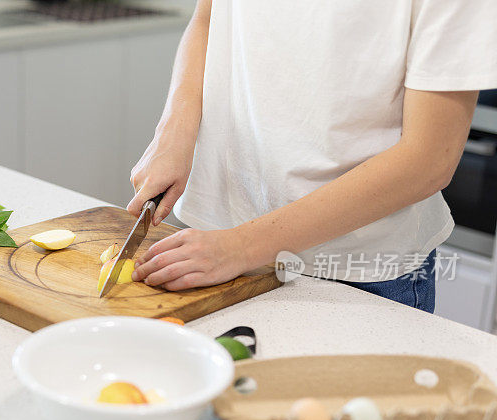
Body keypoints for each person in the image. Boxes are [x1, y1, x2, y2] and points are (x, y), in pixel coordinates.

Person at [127, 0, 497, 312]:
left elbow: (428, 162)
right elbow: (210, 14)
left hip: (353, 275)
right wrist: (173, 131)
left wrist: (239, 247)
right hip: (210, 241)